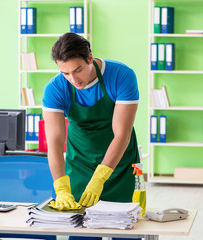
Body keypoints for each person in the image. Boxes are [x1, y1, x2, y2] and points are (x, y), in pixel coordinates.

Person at [42, 32, 140, 211]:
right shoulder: (55, 88)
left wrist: (100, 177)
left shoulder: (121, 76)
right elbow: (55, 143)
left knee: (125, 228)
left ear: (90, 57)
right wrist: (61, 187)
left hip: (119, 164)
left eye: (77, 70)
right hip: (79, 165)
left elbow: (122, 135)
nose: (73, 80)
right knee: (80, 229)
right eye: (65, 73)